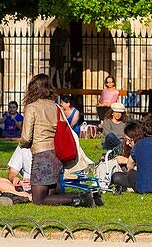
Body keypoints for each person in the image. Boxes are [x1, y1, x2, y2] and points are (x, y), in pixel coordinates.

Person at [19, 72, 93, 206]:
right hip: (56, 154)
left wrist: (22, 144)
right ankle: (83, 198)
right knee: (50, 195)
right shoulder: (55, 107)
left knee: (38, 199)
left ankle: (81, 198)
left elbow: (26, 137)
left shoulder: (32, 107)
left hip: (41, 154)